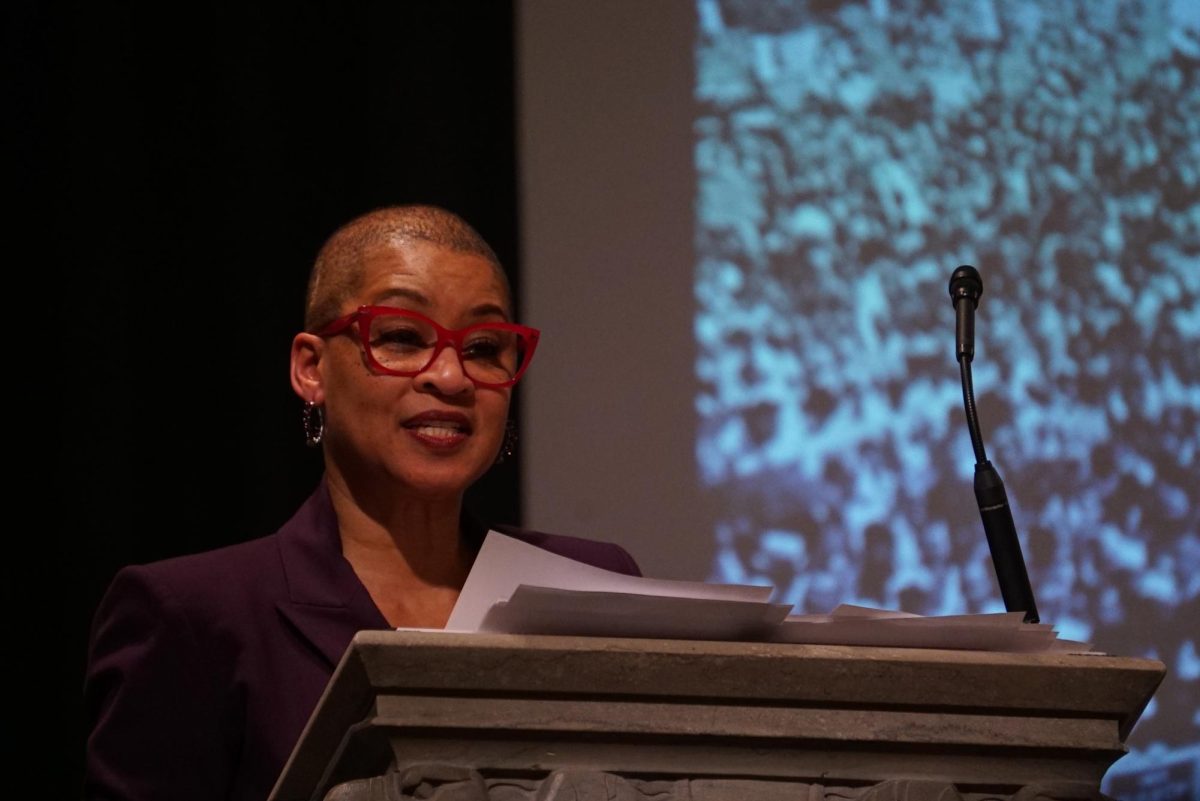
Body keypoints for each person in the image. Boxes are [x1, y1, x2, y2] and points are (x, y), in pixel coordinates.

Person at [83, 205, 641, 801]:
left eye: (483, 347)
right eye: (402, 338)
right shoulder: (194, 614)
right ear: (311, 368)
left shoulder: (591, 585)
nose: (452, 378)